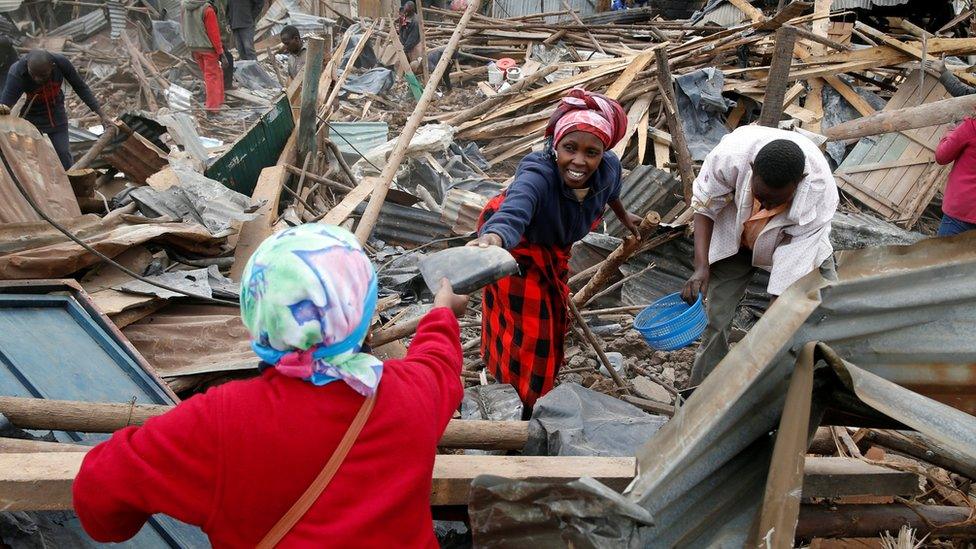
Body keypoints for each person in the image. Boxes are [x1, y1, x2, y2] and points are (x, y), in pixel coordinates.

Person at [72, 224, 467, 546]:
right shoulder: (412, 393)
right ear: (361, 310)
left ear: (256, 314)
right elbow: (438, 362)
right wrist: (442, 313)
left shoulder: (219, 421)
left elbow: (99, 499)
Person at [468, 88, 642, 411]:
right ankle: (520, 395)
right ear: (555, 146)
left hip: (552, 248)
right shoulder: (538, 173)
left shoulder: (608, 170)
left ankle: (532, 389)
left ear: (602, 154)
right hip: (515, 245)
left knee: (551, 320)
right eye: (570, 148)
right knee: (527, 326)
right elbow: (516, 209)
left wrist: (622, 214)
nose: (579, 161)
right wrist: (493, 239)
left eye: (591, 152)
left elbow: (613, 192)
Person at [681, 125, 839, 389]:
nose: (764, 207)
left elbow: (789, 277)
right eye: (761, 197)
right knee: (716, 318)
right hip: (738, 236)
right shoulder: (731, 157)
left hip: (792, 242)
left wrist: (771, 330)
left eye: (776, 202)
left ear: (799, 182)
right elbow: (704, 206)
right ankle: (700, 392)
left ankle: (782, 387)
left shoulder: (818, 194)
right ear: (752, 168)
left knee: (805, 316)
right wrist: (701, 266)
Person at [0, 49, 111, 169]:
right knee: (33, 159)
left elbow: (81, 88)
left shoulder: (61, 63)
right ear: (27, 66)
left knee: (63, 154)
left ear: (52, 67)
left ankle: (71, 183)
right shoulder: (17, 73)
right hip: (31, 119)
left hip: (56, 113)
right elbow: (6, 105)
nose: (38, 79)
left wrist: (103, 115)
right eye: (33, 75)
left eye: (43, 76)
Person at [181, 0, 226, 112]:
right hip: (207, 48)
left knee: (210, 75)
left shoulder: (185, 6)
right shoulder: (207, 9)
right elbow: (213, 33)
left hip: (195, 47)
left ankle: (218, 101)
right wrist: (221, 52)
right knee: (212, 76)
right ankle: (213, 107)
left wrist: (189, 45)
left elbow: (184, 27)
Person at [934, 117, 976, 235]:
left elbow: (942, 156)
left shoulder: (971, 127)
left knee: (944, 253)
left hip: (961, 211)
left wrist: (951, 131)